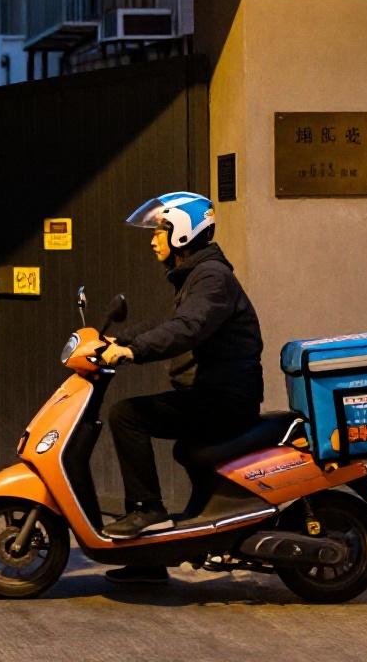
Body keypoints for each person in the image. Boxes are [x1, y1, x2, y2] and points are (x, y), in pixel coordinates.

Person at [99, 191, 264, 583]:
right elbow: (166, 324)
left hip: (223, 398)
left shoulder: (212, 278)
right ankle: (154, 556)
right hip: (212, 394)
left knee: (127, 416)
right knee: (183, 447)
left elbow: (187, 329)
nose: (154, 238)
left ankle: (147, 510)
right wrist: (112, 342)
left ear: (184, 234)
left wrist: (131, 352)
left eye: (161, 230)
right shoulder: (198, 276)